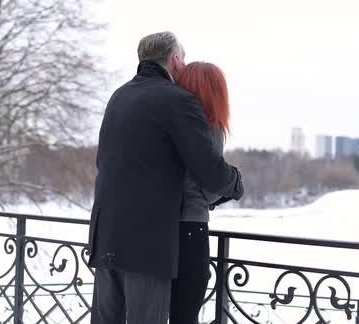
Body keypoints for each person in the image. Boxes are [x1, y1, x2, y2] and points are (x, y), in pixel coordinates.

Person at [87, 31, 244, 324]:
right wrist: (235, 183)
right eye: (183, 59)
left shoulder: (119, 95)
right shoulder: (176, 100)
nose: (184, 67)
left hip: (107, 231)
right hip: (148, 240)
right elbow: (209, 170)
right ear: (174, 59)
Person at [170, 62, 231, 324]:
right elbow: (210, 187)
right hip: (192, 228)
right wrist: (228, 191)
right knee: (186, 312)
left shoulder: (170, 124)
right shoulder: (211, 128)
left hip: (162, 227)